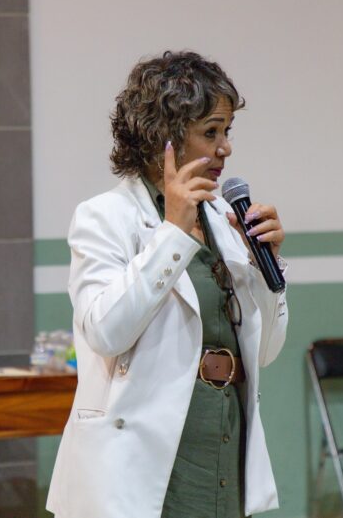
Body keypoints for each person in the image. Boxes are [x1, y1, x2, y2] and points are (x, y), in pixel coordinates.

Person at [46, 51, 288, 518]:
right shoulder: (104, 217)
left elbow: (266, 351)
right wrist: (173, 234)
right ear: (167, 136)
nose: (225, 148)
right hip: (144, 456)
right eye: (211, 132)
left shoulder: (223, 218)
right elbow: (105, 332)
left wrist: (268, 269)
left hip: (222, 433)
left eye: (227, 131)